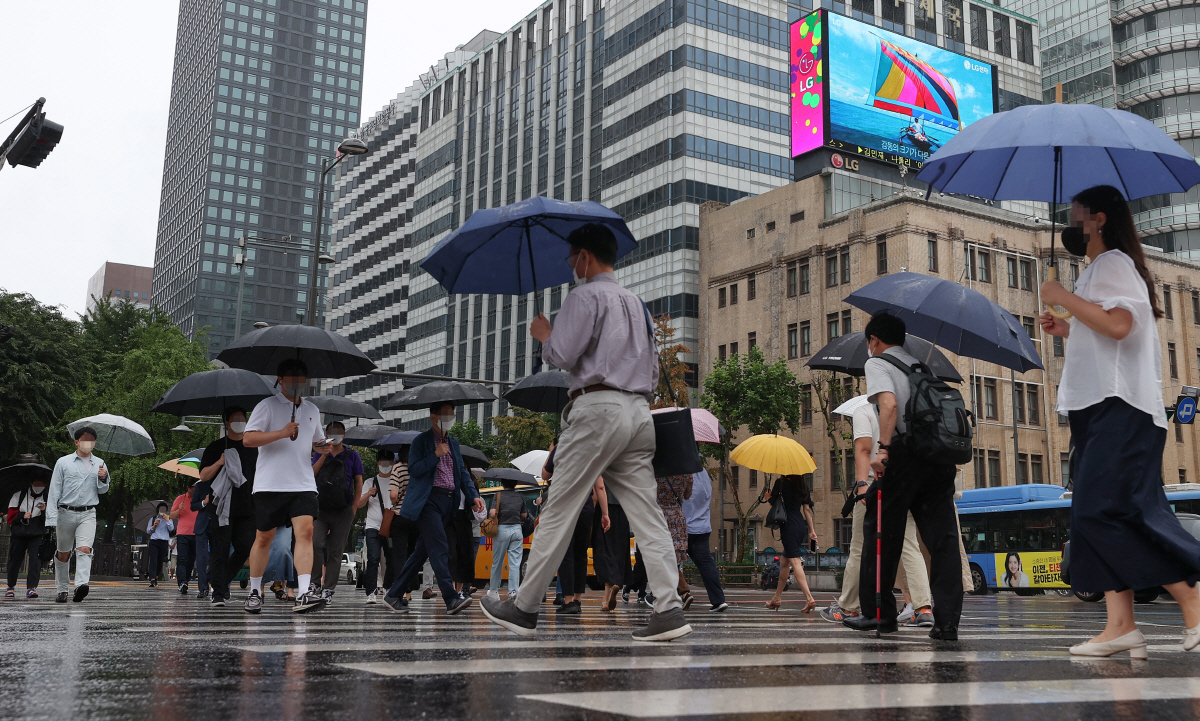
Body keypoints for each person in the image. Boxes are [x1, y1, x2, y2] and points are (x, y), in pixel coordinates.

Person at [480, 223, 692, 642]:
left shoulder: (585, 296)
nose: (570, 266)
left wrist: (545, 336)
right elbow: (652, 369)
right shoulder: (637, 305)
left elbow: (562, 354)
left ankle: (524, 606)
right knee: (647, 514)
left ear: (584, 257)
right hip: (639, 412)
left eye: (571, 259)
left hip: (597, 408)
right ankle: (668, 608)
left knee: (559, 506)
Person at [1040, 184, 1200, 657]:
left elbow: (1119, 325)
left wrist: (1061, 296)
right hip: (1100, 409)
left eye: (1076, 215)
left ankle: (1192, 599)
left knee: (1104, 511)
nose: (1070, 224)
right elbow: (1107, 332)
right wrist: (1067, 326)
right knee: (1096, 513)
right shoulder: (1099, 269)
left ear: (1099, 220)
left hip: (1120, 408)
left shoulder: (1113, 263)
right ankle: (1120, 624)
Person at [844, 313, 963, 639]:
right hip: (938, 459)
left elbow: (890, 405)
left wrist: (883, 450)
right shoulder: (920, 366)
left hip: (906, 455)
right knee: (942, 542)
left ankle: (879, 615)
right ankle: (947, 623)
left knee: (881, 532)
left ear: (874, 340)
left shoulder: (877, 362)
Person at [823, 402, 933, 628]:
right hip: (906, 481)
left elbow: (864, 449)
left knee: (860, 546)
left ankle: (848, 607)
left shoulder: (864, 410)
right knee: (910, 545)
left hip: (876, 482)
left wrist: (862, 484)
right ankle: (923, 608)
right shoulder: (905, 408)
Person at [242, 358, 330, 614]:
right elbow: (248, 439)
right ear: (280, 379)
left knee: (306, 533)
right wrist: (282, 432)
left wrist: (323, 447)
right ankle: (255, 591)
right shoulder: (266, 406)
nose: (297, 381)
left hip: (303, 483)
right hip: (270, 484)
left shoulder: (312, 409)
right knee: (264, 538)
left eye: (301, 376)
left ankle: (303, 592)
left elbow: (316, 441)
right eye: (291, 376)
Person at [381, 402, 483, 615]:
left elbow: (462, 473)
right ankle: (450, 598)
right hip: (428, 501)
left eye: (452, 414)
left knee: (422, 552)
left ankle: (393, 594)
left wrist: (474, 495)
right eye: (446, 414)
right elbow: (414, 469)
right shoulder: (421, 441)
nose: (450, 418)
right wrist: (434, 455)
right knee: (440, 547)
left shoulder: (453, 442)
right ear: (433, 417)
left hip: (448, 502)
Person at [196, 407, 258, 607]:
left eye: (243, 418)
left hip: (247, 507)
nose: (241, 422)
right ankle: (218, 593)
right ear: (227, 423)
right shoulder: (216, 447)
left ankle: (221, 582)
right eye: (236, 419)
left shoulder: (254, 447)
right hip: (221, 506)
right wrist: (220, 462)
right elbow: (203, 475)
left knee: (245, 547)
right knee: (220, 550)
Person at [47, 426, 110, 604]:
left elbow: (103, 490)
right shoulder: (63, 462)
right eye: (85, 440)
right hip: (65, 512)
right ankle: (62, 589)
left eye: (92, 440)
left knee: (84, 549)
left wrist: (103, 477)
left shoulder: (100, 463)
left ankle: (81, 585)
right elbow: (54, 490)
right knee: (63, 553)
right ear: (77, 442)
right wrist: (51, 517)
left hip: (88, 513)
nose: (88, 443)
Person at [310, 421, 365, 604]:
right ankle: (314, 583)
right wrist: (323, 454)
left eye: (339, 432)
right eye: (332, 432)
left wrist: (354, 506)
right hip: (320, 509)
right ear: (326, 435)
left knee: (336, 550)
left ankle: (328, 588)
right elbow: (311, 474)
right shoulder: (319, 452)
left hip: (343, 510)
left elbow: (358, 481)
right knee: (315, 543)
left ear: (344, 435)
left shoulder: (352, 455)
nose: (335, 435)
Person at [761, 474, 817, 613]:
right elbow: (806, 510)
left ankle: (809, 598)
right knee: (784, 563)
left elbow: (774, 504)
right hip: (800, 525)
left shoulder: (780, 483)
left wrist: (768, 497)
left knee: (795, 562)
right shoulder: (803, 485)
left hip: (788, 526)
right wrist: (812, 531)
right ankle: (776, 598)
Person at [682, 468, 727, 612]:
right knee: (707, 564)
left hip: (682, 526)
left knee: (669, 561)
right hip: (702, 526)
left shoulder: (681, 472)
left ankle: (679, 594)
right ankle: (718, 600)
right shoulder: (704, 474)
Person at [6, 466, 49, 599]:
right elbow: (10, 517)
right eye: (37, 484)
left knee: (35, 560)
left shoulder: (47, 497)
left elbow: (51, 519)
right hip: (19, 534)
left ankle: (32, 588)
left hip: (37, 534)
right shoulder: (18, 496)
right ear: (31, 483)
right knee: (15, 560)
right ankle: (10, 586)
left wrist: (44, 510)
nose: (39, 487)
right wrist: (22, 516)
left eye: (42, 485)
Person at [359, 451, 395, 604]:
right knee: (373, 559)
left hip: (391, 526)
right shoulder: (370, 482)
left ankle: (387, 587)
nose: (385, 465)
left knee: (391, 559)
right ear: (378, 463)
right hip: (372, 526)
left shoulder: (395, 481)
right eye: (382, 461)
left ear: (392, 463)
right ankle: (371, 592)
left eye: (388, 462)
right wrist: (368, 494)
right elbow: (359, 504)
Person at [592, 476, 631, 612]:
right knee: (619, 550)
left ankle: (606, 599)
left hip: (604, 508)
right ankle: (609, 594)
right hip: (623, 508)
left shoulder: (601, 465)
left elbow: (599, 488)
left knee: (603, 550)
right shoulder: (624, 465)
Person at [487, 477, 529, 600]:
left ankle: (494, 591)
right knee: (515, 564)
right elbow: (524, 515)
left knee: (497, 562)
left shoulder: (498, 495)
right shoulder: (520, 496)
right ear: (515, 483)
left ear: (503, 483)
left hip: (502, 530)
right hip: (517, 530)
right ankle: (513, 592)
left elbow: (493, 513)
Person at [656, 473, 694, 610]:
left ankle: (681, 592)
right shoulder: (686, 473)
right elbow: (687, 495)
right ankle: (681, 594)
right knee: (674, 556)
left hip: (660, 516)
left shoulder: (656, 472)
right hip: (677, 516)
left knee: (662, 557)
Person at [171, 481, 201, 595]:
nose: (194, 491)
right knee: (182, 559)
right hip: (183, 533)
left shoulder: (200, 498)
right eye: (192, 488)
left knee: (191, 560)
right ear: (188, 487)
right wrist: (179, 509)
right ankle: (182, 582)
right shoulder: (180, 499)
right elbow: (172, 515)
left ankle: (186, 580)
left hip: (196, 533)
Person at [146, 502, 174, 587]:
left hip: (164, 542)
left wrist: (167, 520)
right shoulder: (153, 519)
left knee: (160, 561)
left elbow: (171, 529)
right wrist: (154, 526)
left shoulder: (169, 519)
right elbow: (148, 531)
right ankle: (152, 579)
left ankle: (156, 576)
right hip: (154, 541)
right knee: (153, 560)